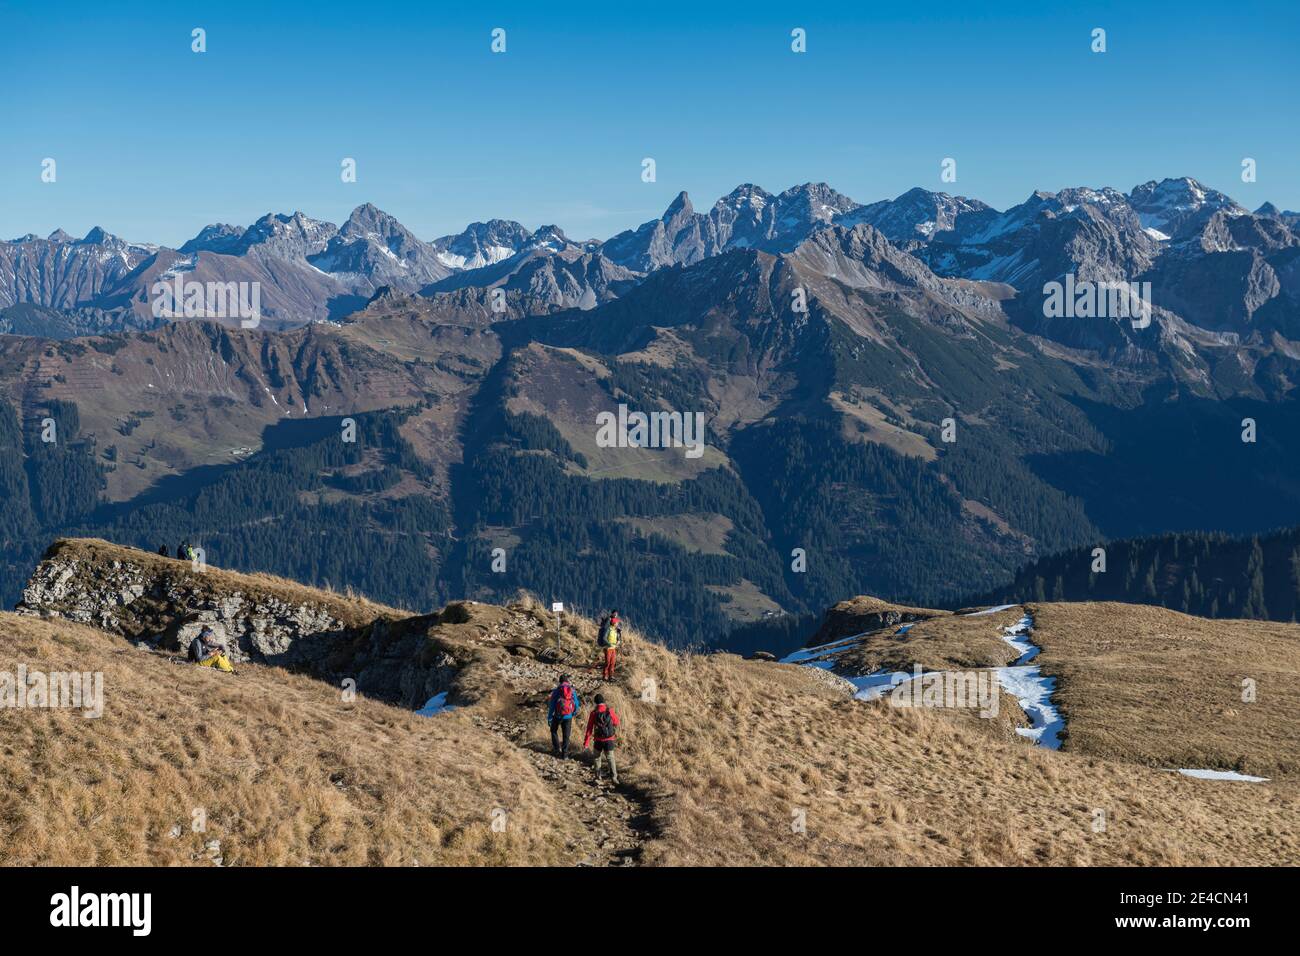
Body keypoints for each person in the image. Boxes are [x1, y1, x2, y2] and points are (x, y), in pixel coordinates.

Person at [582, 693, 620, 785]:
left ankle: (598, 777)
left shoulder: (594, 713)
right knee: (610, 758)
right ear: (603, 701)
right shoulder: (609, 711)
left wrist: (586, 743)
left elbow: (589, 729)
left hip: (598, 740)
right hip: (609, 739)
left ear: (595, 702)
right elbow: (617, 722)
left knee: (596, 758)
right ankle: (614, 777)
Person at [546, 674, 581, 759]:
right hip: (568, 716)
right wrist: (573, 713)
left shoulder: (556, 691)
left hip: (557, 716)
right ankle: (564, 755)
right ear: (567, 681)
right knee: (566, 735)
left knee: (553, 730)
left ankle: (557, 749)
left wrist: (550, 718)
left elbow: (552, 706)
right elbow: (576, 704)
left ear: (560, 681)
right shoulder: (572, 690)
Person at [596, 609, 622, 681]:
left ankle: (611, 676)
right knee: (607, 662)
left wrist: (618, 641)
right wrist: (609, 644)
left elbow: (618, 638)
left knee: (613, 662)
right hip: (608, 648)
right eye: (616, 623)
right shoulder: (608, 630)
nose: (617, 624)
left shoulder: (615, 630)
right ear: (614, 623)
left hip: (613, 648)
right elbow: (604, 638)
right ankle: (605, 676)